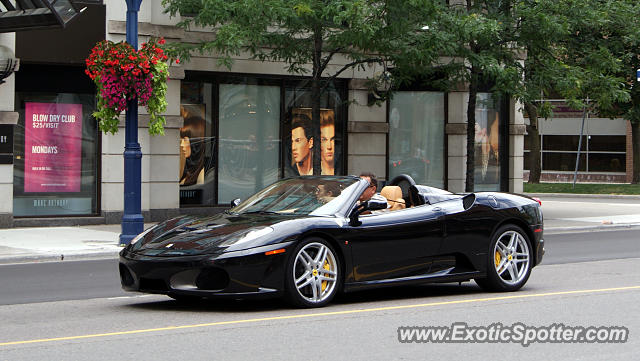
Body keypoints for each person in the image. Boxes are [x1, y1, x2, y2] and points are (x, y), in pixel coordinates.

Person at [179, 115, 205, 186]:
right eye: (182, 140)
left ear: (195, 144)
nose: (181, 144)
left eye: (185, 140)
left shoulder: (202, 175)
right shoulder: (190, 170)